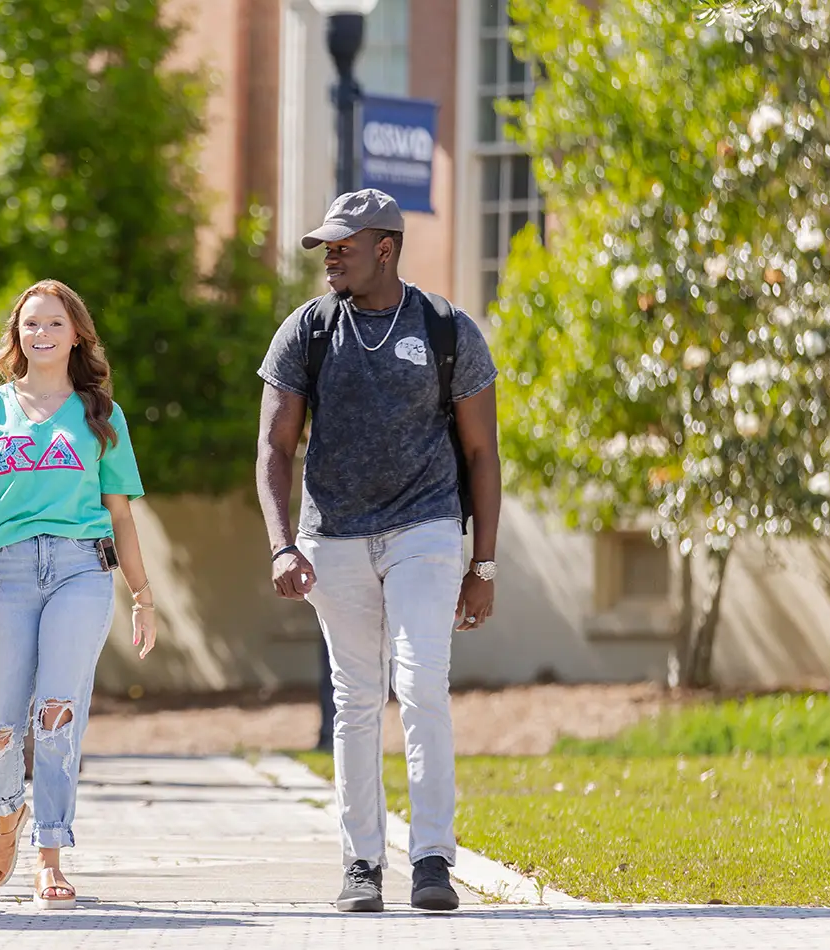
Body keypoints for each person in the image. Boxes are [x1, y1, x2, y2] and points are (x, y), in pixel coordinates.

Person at [255, 189, 502, 914]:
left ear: (385, 249)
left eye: (343, 244)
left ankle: (431, 857)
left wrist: (482, 564)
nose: (329, 255)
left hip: (424, 528)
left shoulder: (445, 327)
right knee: (357, 700)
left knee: (423, 683)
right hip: (333, 538)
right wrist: (279, 546)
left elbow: (483, 454)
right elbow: (274, 447)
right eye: (326, 245)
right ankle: (362, 862)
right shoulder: (307, 330)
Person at [0, 278, 157, 911]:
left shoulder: (101, 415)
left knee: (57, 714)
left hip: (80, 570)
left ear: (77, 335)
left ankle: (50, 856)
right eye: (30, 324)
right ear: (17, 336)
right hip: (6, 573)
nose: (41, 334)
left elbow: (121, 516)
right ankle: (4, 812)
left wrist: (143, 595)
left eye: (54, 324)